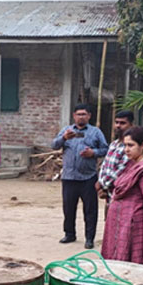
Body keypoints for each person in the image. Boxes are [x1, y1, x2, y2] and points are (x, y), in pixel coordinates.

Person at [101, 126, 143, 268]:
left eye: (131, 145)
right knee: (117, 262)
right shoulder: (133, 164)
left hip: (133, 225)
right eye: (125, 145)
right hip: (121, 223)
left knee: (132, 265)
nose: (126, 150)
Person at [51, 103, 109, 249]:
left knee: (90, 210)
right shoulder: (66, 130)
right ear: (74, 116)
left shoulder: (96, 132)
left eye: (84, 114)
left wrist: (93, 153)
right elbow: (54, 145)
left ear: (89, 116)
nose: (81, 117)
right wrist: (63, 138)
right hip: (69, 177)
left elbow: (105, 149)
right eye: (78, 114)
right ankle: (69, 234)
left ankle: (89, 238)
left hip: (88, 178)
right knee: (68, 208)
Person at [96, 109, 134, 201]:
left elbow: (121, 170)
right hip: (108, 194)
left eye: (122, 123)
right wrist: (100, 183)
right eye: (116, 122)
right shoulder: (113, 144)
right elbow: (104, 165)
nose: (118, 126)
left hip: (120, 194)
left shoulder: (130, 146)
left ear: (131, 125)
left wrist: (103, 185)